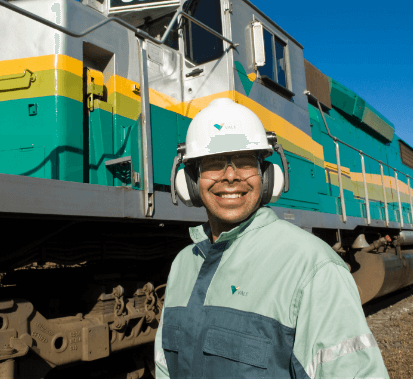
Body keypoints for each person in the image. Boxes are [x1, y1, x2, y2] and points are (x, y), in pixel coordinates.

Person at [155, 98, 389, 378]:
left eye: (244, 162)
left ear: (267, 177)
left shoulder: (313, 266)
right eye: (214, 163)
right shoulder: (184, 263)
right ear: (191, 182)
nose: (230, 177)